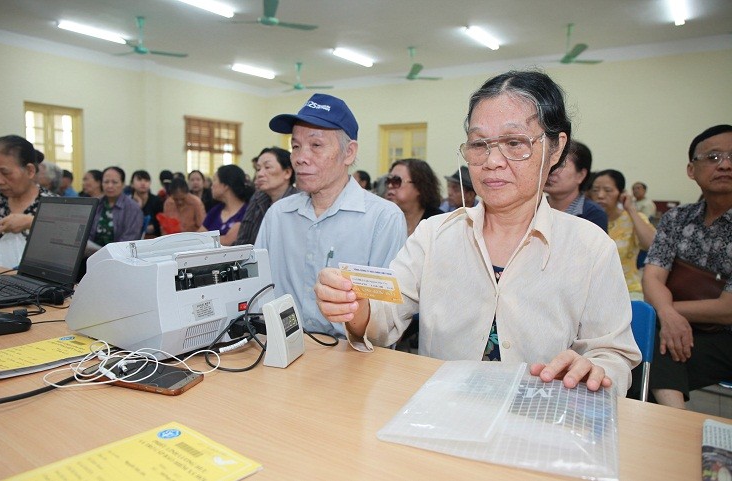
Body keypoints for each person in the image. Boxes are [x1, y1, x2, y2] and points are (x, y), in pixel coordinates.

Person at [314, 71, 640, 394]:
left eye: (514, 143)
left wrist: (596, 370)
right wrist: (356, 309)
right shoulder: (434, 235)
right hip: (441, 411)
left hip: (538, 421)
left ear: (555, 149)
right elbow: (383, 319)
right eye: (479, 144)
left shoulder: (590, 247)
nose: (492, 161)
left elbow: (613, 355)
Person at [256, 93, 406, 338]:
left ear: (349, 153)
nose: (300, 158)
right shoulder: (278, 215)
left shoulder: (383, 219)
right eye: (295, 146)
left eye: (316, 145)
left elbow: (386, 317)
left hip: (354, 356)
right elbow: (257, 293)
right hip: (283, 348)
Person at [641, 124, 732, 408]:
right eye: (714, 157)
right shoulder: (676, 218)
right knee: (640, 348)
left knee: (645, 364)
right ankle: (674, 420)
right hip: (675, 329)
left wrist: (667, 313)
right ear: (692, 170)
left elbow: (727, 310)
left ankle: (672, 419)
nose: (725, 165)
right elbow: (653, 277)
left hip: (725, 338)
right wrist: (667, 314)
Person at [591, 169, 655, 299]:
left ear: (621, 194)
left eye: (608, 190)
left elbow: (652, 245)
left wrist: (631, 209)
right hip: (592, 291)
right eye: (595, 190)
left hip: (628, 290)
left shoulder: (633, 218)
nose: (601, 195)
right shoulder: (587, 219)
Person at [233, 147, 299, 246]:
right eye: (258, 169)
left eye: (267, 167)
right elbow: (243, 240)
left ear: (287, 173)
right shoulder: (257, 198)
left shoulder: (299, 201)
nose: (259, 174)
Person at [544, 141, 608, 232]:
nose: (551, 170)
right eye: (549, 163)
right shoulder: (533, 208)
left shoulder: (593, 214)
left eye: (560, 165)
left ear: (581, 175)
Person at [385, 158, 442, 236]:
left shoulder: (439, 223)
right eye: (388, 180)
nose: (390, 186)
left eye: (396, 181)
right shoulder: (384, 219)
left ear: (419, 187)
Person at [89, 166, 143, 247]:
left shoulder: (133, 208)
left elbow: (129, 240)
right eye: (106, 182)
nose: (110, 186)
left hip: (117, 256)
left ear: (123, 184)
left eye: (114, 182)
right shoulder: (96, 204)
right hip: (90, 255)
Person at [199, 164, 252, 245]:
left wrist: (204, 241)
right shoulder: (216, 210)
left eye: (215, 180)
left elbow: (228, 241)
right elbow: (198, 237)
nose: (211, 186)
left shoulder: (247, 212)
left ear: (225, 186)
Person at [130, 169, 163, 236]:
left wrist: (153, 227)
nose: (143, 183)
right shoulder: (127, 202)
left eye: (146, 180)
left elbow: (161, 222)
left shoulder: (156, 200)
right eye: (139, 180)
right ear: (132, 184)